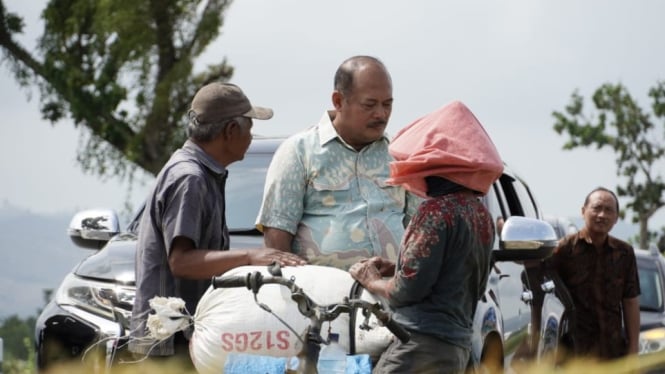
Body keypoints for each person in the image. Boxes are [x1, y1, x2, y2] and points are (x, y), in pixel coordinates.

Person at [128, 82, 306, 368]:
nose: (251, 136)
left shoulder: (201, 173)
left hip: (182, 337)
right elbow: (181, 262)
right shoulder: (190, 178)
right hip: (168, 342)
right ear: (230, 131)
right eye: (249, 127)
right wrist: (250, 257)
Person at [349, 100, 504, 374]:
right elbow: (452, 275)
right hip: (456, 347)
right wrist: (396, 265)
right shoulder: (481, 216)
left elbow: (406, 291)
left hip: (420, 346)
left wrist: (372, 281)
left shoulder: (435, 212)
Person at [255, 55, 420, 270]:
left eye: (387, 104)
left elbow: (418, 230)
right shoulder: (299, 151)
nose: (381, 114)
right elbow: (277, 234)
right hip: (319, 297)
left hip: (391, 292)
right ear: (338, 101)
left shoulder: (400, 155)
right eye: (369, 105)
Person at [545, 187, 640, 361]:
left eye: (609, 210)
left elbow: (630, 300)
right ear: (583, 211)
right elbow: (539, 282)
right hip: (573, 353)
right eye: (597, 208)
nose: (602, 215)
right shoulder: (564, 249)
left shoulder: (624, 253)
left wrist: (633, 349)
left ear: (616, 218)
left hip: (612, 353)